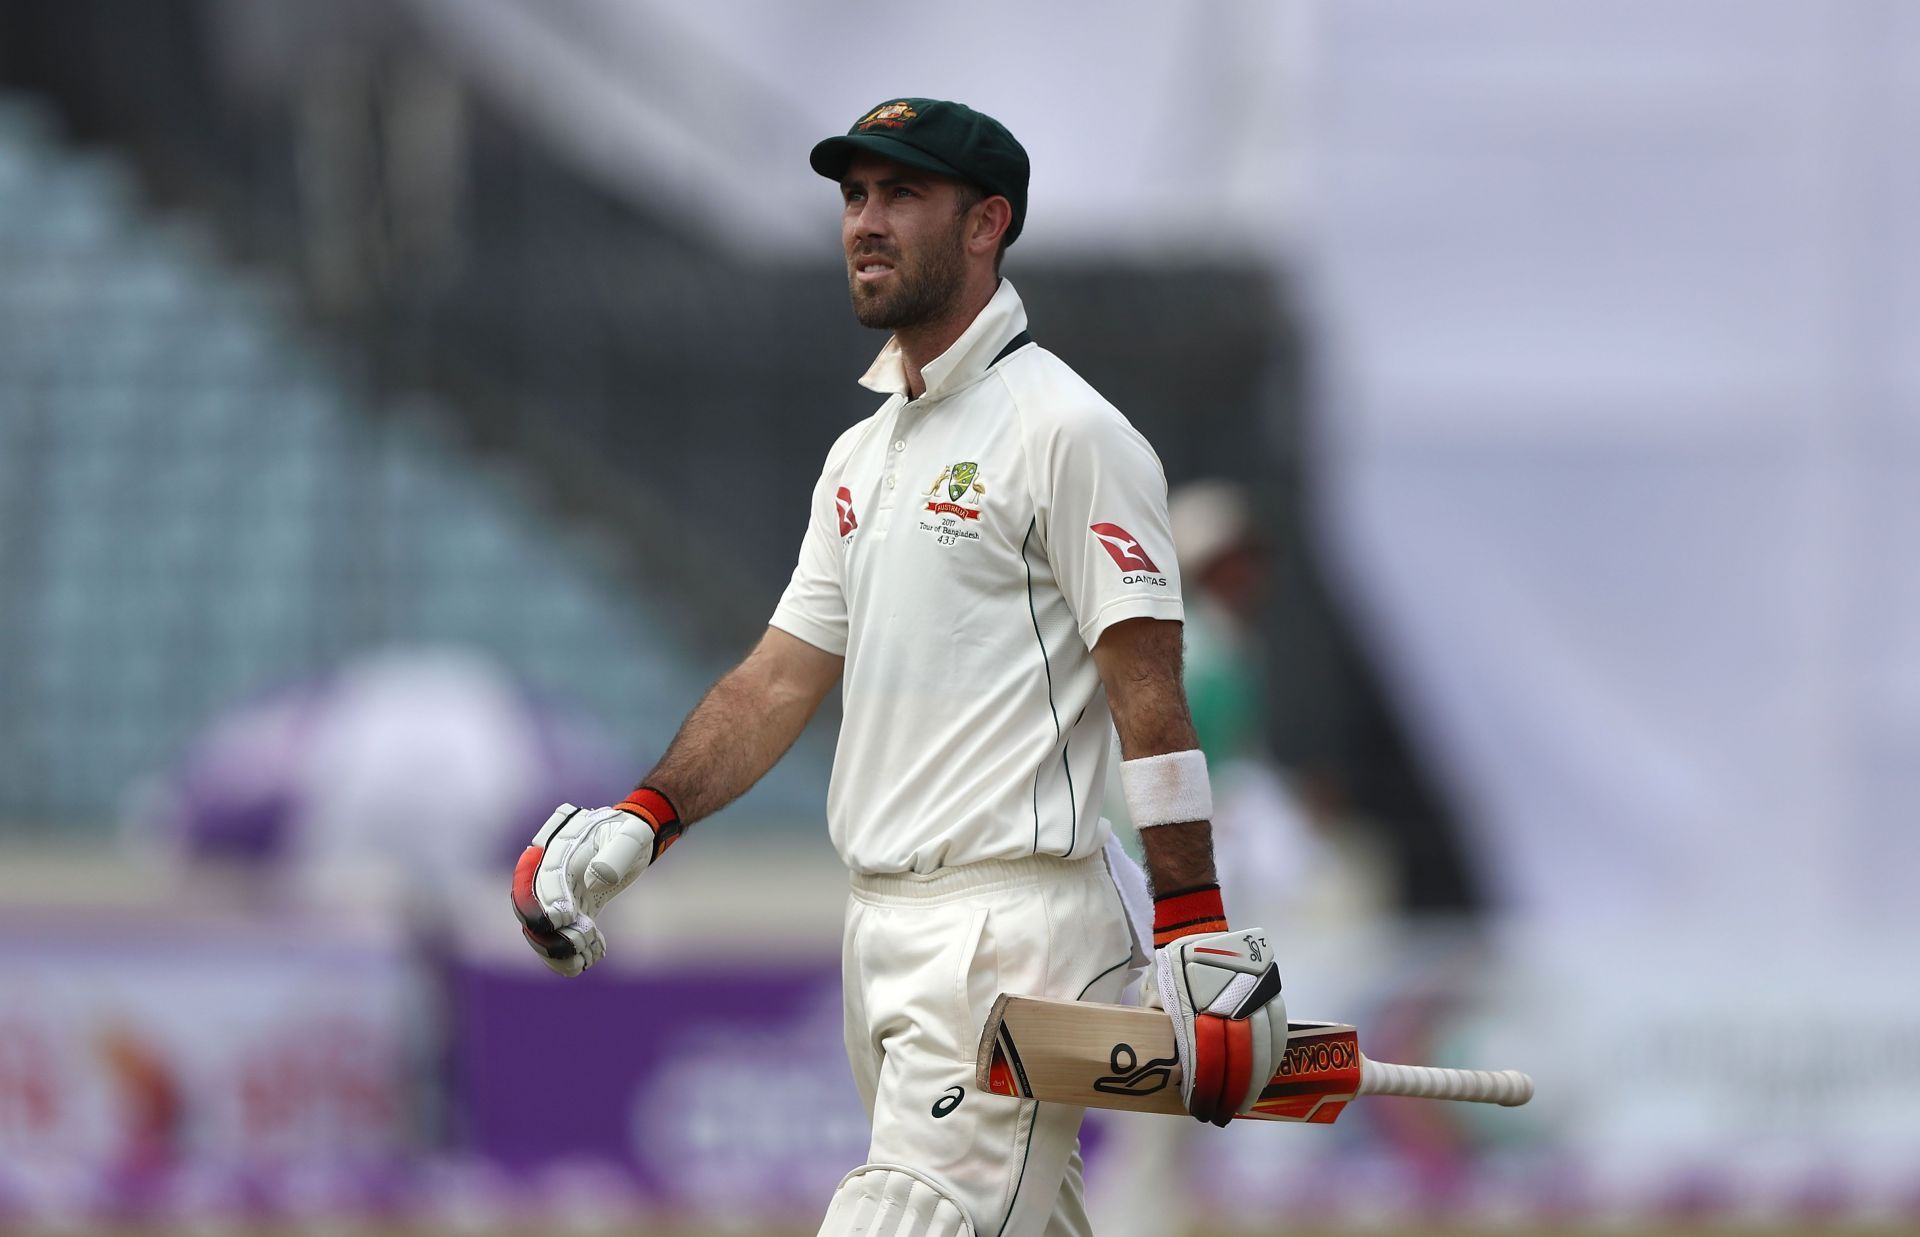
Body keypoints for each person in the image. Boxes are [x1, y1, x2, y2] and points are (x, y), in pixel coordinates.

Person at [509, 97, 1290, 1237]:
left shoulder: (1068, 431)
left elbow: (1147, 695)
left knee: (900, 1222)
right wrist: (643, 820)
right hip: (879, 932)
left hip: (1014, 930)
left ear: (987, 224)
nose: (865, 223)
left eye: (901, 196)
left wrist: (1196, 925)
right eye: (855, 197)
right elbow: (776, 679)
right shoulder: (860, 456)